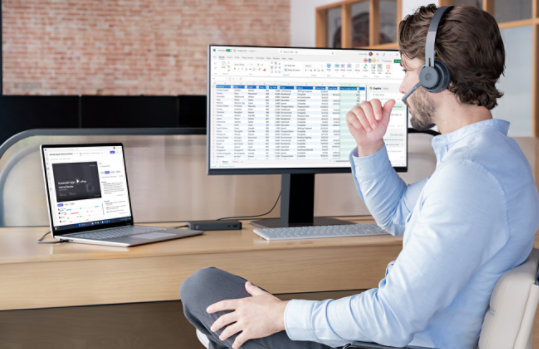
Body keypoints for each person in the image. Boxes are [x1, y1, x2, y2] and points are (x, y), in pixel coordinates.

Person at [180, 5, 539, 349]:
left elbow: (394, 316)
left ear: (435, 75)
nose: (402, 87)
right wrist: (371, 146)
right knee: (226, 304)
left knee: (202, 287)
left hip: (397, 343)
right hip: (395, 335)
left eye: (407, 69)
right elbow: (397, 215)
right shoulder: (493, 158)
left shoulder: (468, 178)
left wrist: (282, 315)